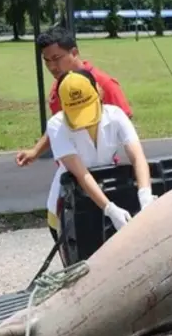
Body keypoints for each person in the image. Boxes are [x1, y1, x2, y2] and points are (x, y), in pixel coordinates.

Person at [39, 69, 154, 243]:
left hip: (106, 192)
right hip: (70, 205)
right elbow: (81, 174)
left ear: (99, 92)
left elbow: (138, 157)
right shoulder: (57, 125)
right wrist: (109, 209)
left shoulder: (115, 116)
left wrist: (145, 195)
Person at [16, 26, 133, 166]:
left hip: (101, 169)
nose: (52, 66)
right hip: (69, 172)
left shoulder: (103, 83)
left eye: (56, 58)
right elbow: (59, 126)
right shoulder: (59, 86)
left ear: (74, 52)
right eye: (47, 60)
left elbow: (124, 121)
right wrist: (35, 151)